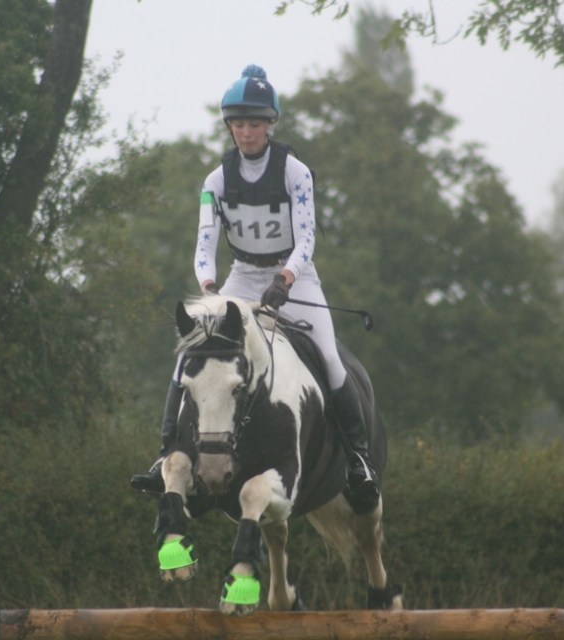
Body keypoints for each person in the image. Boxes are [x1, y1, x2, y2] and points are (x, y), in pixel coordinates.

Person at [131, 64, 378, 502]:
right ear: (229, 127)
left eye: (255, 124)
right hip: (242, 277)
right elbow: (204, 244)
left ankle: (358, 458)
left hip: (294, 277)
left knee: (329, 356)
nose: (246, 133)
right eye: (239, 124)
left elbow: (306, 239)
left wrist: (286, 278)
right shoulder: (215, 181)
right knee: (189, 357)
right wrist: (209, 288)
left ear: (270, 124)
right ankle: (166, 452)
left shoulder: (295, 172)